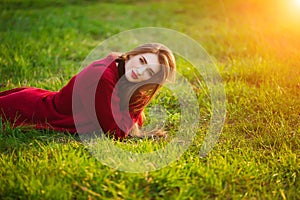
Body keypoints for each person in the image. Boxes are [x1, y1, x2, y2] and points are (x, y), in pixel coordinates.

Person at [0, 43, 176, 139]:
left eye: (149, 73)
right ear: (132, 54)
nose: (140, 71)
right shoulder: (102, 77)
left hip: (40, 99)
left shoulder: (124, 75)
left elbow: (134, 118)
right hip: (26, 110)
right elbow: (115, 132)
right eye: (142, 61)